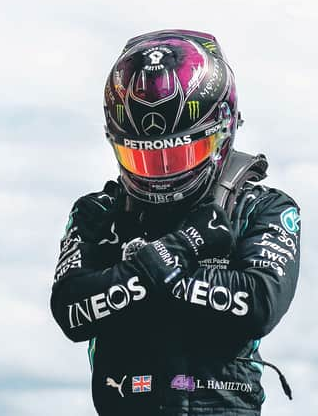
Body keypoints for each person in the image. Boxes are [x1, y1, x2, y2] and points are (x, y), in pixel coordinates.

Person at [50, 29, 301, 416]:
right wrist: (183, 246)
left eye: (181, 154)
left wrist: (137, 274)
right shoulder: (98, 213)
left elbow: (260, 305)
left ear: (222, 132)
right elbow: (72, 312)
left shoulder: (262, 207)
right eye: (146, 159)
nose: (162, 173)